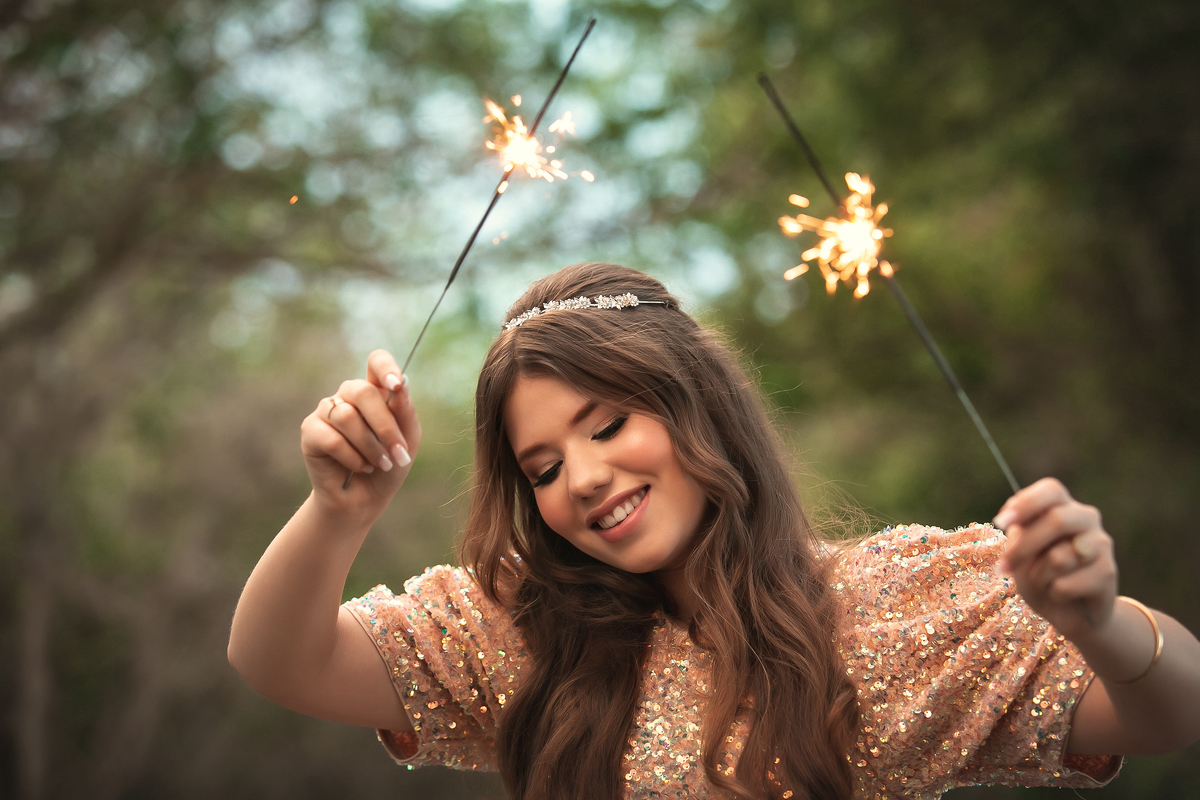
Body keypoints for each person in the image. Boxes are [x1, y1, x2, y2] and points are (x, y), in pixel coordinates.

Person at [228, 262, 1200, 800]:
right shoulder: (526, 630)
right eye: (546, 468)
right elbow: (280, 659)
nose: (588, 476)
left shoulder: (888, 604)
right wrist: (338, 511)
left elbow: (1173, 713)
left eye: (608, 424)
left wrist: (1098, 618)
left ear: (701, 407)